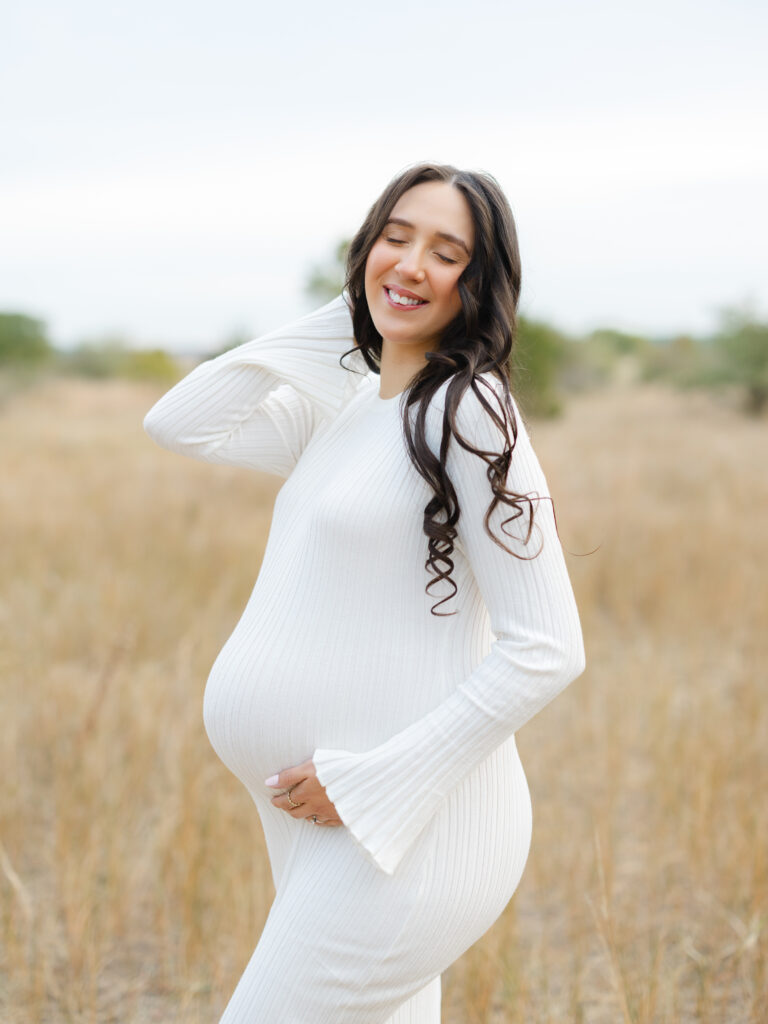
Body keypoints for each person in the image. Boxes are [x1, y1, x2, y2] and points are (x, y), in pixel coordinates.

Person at [143, 161, 586, 1023]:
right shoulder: (349, 410)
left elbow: (549, 647)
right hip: (321, 820)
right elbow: (180, 421)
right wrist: (367, 301)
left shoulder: (467, 409)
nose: (414, 262)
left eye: (446, 252)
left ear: (482, 280)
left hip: (407, 832)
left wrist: (376, 785)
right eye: (396, 237)